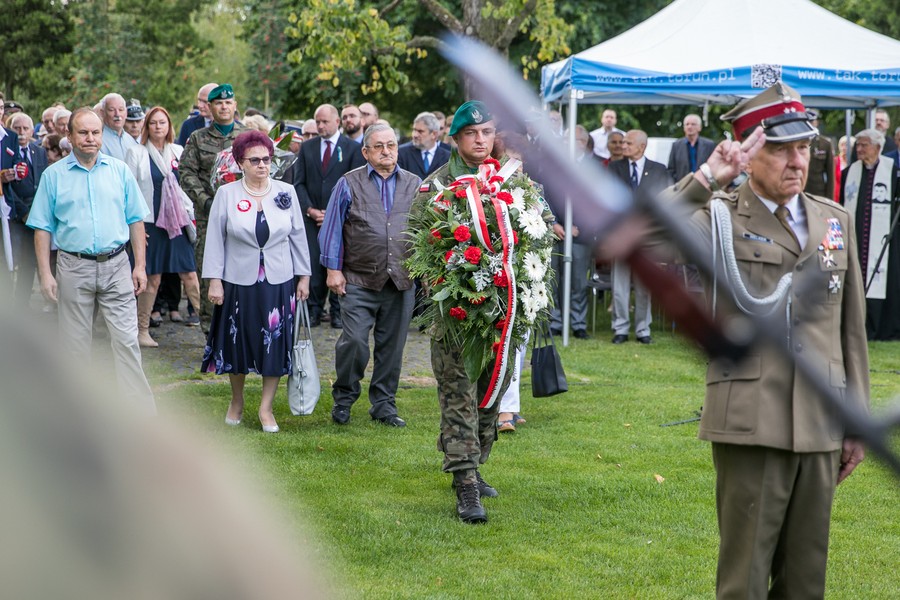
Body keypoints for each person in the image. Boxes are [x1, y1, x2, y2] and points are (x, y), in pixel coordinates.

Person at [666, 82, 868, 598]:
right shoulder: (719, 215)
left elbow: (851, 331)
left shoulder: (834, 220)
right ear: (748, 154)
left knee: (806, 579)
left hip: (822, 420)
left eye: (802, 147)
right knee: (746, 579)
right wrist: (708, 177)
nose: (795, 161)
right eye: (779, 149)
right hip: (752, 419)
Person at [410, 101, 553, 524]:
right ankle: (466, 482)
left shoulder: (514, 180)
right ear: (455, 138)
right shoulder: (436, 186)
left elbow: (539, 226)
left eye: (487, 132)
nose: (480, 140)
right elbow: (420, 248)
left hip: (504, 314)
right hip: (457, 314)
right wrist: (451, 288)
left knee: (493, 390)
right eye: (471, 133)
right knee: (458, 396)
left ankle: (473, 460)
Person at [26, 107, 156, 414]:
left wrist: (139, 266)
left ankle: (140, 414)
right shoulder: (53, 176)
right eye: (82, 133)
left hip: (116, 265)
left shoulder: (119, 171)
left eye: (95, 132)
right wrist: (45, 274)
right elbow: (42, 228)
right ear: (69, 136)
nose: (90, 139)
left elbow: (136, 220)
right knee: (74, 346)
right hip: (73, 266)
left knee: (126, 342)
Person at [201, 130, 311, 433]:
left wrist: (304, 276)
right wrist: (214, 281)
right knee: (237, 342)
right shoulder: (227, 194)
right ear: (240, 162)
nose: (262, 165)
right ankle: (236, 401)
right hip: (237, 279)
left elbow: (298, 236)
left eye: (267, 159)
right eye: (255, 160)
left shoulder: (285, 191)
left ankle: (266, 408)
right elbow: (215, 240)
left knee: (274, 344)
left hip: (278, 280)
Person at [318, 123, 420, 427]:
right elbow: (333, 227)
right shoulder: (349, 183)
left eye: (391, 144)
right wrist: (333, 270)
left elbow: (426, 231)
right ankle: (344, 398)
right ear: (365, 151)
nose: (386, 151)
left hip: (401, 280)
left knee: (393, 347)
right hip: (358, 279)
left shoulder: (415, 184)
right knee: (354, 342)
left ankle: (384, 405)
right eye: (378, 146)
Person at [124, 106, 203, 348]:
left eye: (163, 123)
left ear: (169, 127)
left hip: (177, 222)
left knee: (190, 274)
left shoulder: (178, 151)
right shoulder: (135, 152)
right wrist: (134, 227)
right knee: (152, 277)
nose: (158, 127)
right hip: (150, 224)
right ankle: (142, 330)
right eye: (153, 123)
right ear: (146, 127)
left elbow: (187, 185)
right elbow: (129, 191)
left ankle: (212, 327)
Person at [292, 103, 365, 328]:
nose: (320, 125)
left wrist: (336, 213)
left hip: (342, 220)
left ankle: (337, 311)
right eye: (317, 121)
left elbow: (356, 184)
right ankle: (313, 310)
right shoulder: (308, 147)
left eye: (324, 121)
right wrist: (310, 210)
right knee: (313, 263)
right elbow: (299, 182)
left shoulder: (352, 148)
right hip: (312, 217)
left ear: (337, 122)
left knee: (338, 262)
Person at [179, 83, 246, 329]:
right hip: (209, 217)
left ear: (235, 106)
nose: (224, 107)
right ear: (210, 107)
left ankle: (239, 326)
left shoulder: (247, 136)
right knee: (208, 272)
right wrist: (205, 201)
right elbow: (186, 173)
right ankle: (210, 332)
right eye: (219, 103)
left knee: (242, 269)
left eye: (228, 102)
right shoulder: (198, 138)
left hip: (243, 215)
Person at [609, 129, 673, 344]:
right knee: (619, 286)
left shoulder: (659, 170)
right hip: (621, 236)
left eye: (628, 143)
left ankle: (643, 330)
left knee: (645, 286)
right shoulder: (614, 167)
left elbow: (666, 203)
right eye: (623, 142)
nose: (623, 146)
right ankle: (620, 329)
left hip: (647, 238)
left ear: (641, 147)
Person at [839, 128, 900, 340]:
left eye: (865, 145)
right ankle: (855, 325)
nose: (860, 149)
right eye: (858, 145)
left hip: (883, 240)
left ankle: (878, 328)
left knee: (883, 279)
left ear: (878, 147)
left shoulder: (892, 171)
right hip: (855, 235)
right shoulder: (849, 172)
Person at [6, 113, 49, 306]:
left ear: (32, 131)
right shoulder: (6, 153)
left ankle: (24, 304)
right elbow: (6, 187)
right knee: (12, 260)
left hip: (36, 213)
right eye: (17, 128)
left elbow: (43, 181)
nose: (22, 133)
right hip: (15, 214)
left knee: (31, 261)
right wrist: (23, 211)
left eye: (25, 128)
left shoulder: (38, 151)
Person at [667, 113, 715, 181]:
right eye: (687, 124)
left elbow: (713, 167)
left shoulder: (709, 145)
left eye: (693, 124)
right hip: (682, 186)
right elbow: (671, 170)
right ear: (684, 128)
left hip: (703, 185)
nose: (689, 127)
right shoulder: (676, 145)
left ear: (699, 128)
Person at [805, 112, 835, 199]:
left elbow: (830, 174)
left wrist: (830, 199)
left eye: (812, 121)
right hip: (799, 192)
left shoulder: (825, 144)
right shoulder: (795, 142)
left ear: (816, 123)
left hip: (818, 193)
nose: (809, 125)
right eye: (807, 122)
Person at [99, 93, 138, 161]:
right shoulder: (97, 140)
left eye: (121, 109)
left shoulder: (131, 141)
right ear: (102, 113)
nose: (117, 114)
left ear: (126, 113)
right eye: (111, 110)